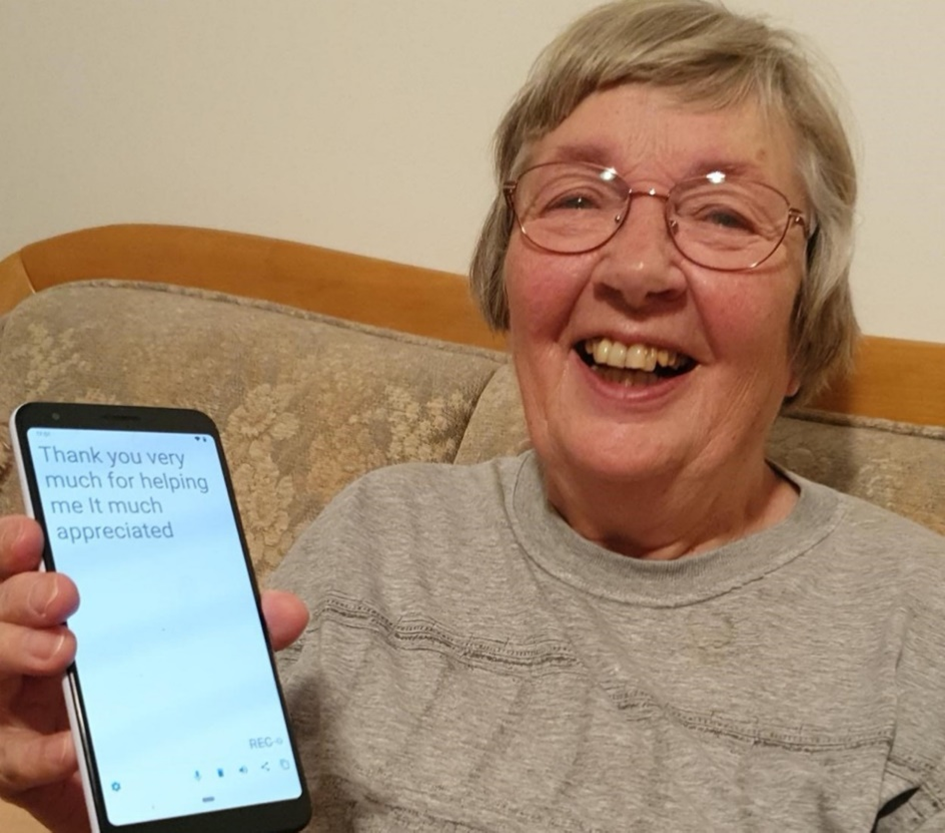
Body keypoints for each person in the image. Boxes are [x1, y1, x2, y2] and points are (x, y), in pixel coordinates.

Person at [2, 0, 944, 830]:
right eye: (577, 197)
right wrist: (83, 803)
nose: (638, 269)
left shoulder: (914, 623)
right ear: (509, 275)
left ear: (803, 325)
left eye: (724, 216)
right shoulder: (378, 534)